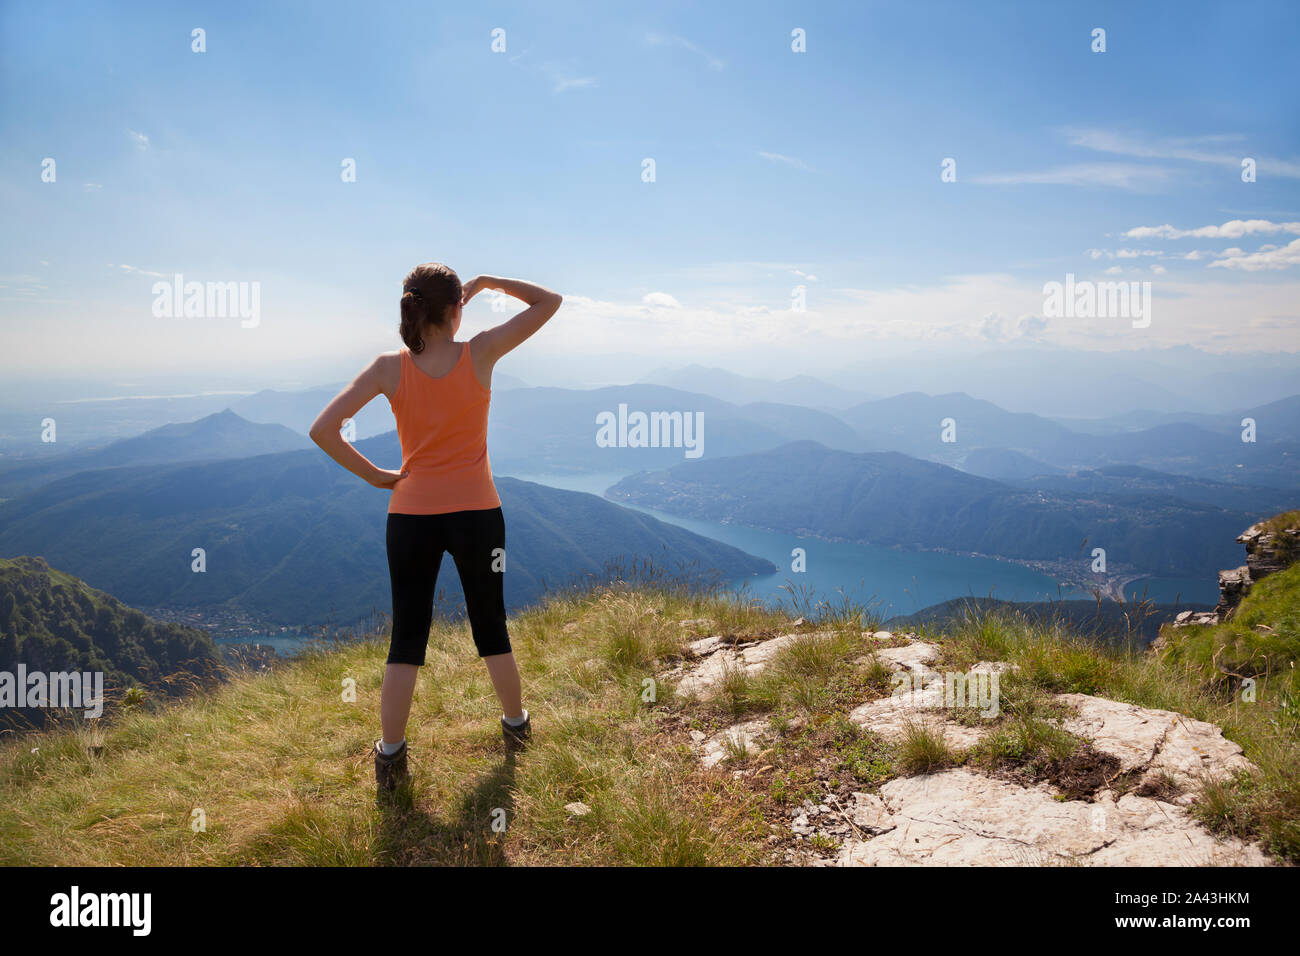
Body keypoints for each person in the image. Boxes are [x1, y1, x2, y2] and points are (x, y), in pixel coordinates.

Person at [310, 263, 562, 792]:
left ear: (413, 308)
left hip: (410, 516)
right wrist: (490, 282)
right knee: (490, 623)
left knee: (407, 637)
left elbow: (323, 429)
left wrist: (378, 476)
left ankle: (391, 759)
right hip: (479, 515)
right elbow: (549, 302)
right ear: (455, 309)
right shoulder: (482, 352)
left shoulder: (388, 368)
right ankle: (516, 727)